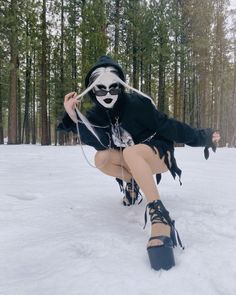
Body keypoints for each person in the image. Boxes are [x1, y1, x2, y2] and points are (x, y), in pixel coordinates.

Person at [58, 55, 220, 271]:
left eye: (113, 88)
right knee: (102, 158)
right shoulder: (97, 114)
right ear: (92, 90)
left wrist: (203, 137)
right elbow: (96, 141)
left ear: (121, 86)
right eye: (101, 89)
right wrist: (72, 116)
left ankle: (160, 218)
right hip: (131, 159)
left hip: (158, 155)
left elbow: (170, 126)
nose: (107, 94)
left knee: (131, 153)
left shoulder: (137, 104)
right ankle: (133, 184)